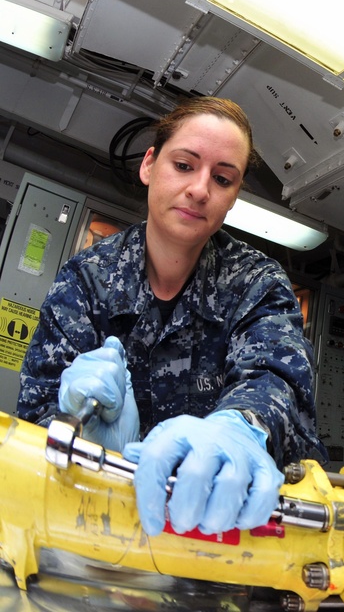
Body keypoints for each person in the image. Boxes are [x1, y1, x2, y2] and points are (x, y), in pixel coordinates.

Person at [17, 96, 326, 539]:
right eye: (184, 165)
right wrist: (73, 426)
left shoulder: (257, 282)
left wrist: (239, 427)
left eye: (222, 178)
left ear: (233, 197)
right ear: (148, 165)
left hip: (218, 536)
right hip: (94, 524)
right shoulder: (86, 280)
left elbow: (277, 381)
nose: (200, 189)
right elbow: (32, 420)